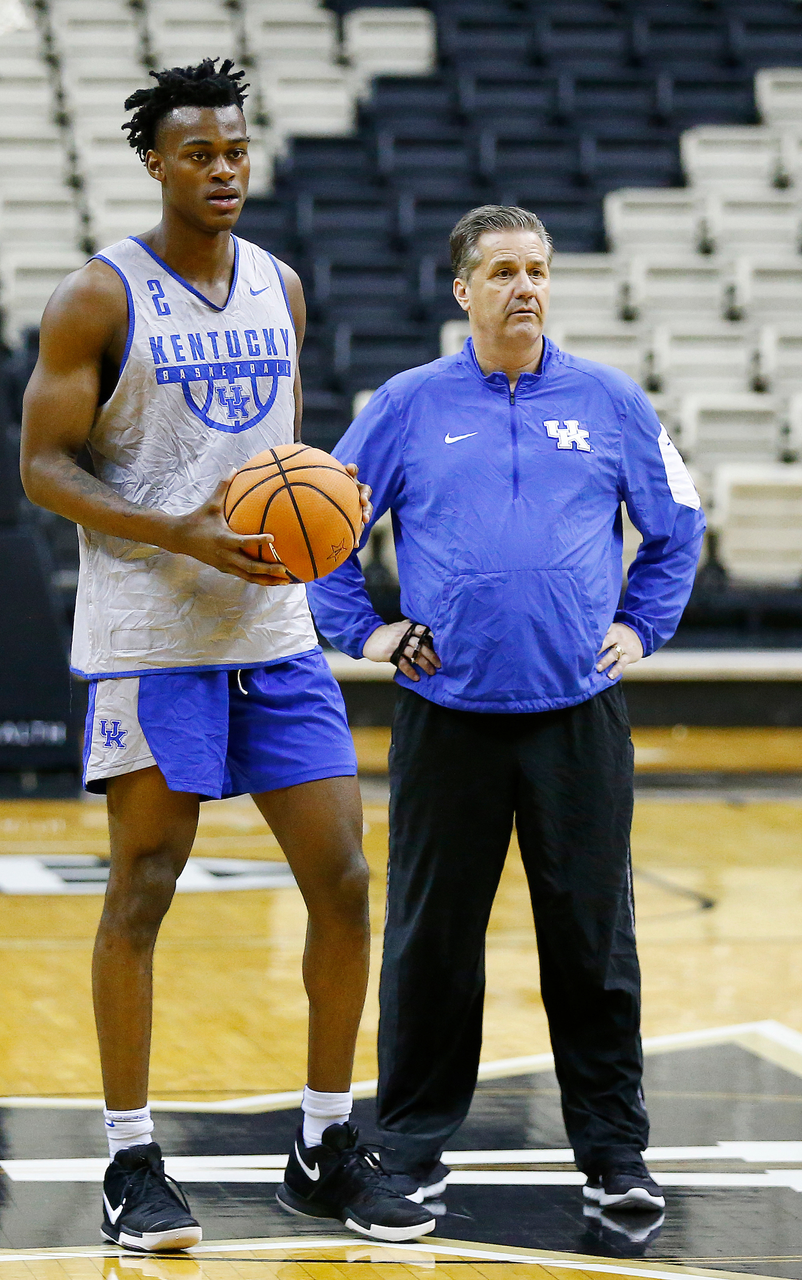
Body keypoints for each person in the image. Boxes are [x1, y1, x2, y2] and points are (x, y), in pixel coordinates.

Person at [20, 59, 434, 1251]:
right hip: (152, 640)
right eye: (199, 153)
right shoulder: (97, 298)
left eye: (237, 151)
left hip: (273, 635)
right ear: (154, 161)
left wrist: (310, 519)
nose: (224, 170)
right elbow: (41, 468)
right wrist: (180, 528)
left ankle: (320, 1141)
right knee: (142, 888)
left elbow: (276, 462)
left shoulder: (280, 288)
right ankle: (130, 1160)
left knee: (347, 882)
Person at [308, 205, 706, 1215]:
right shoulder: (406, 403)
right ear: (462, 290)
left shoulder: (609, 400)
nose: (522, 286)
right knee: (432, 942)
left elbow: (676, 522)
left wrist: (639, 627)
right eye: (499, 272)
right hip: (447, 713)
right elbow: (320, 526)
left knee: (590, 942)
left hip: (577, 714)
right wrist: (364, 632)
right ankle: (405, 1145)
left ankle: (614, 1152)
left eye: (534, 269)